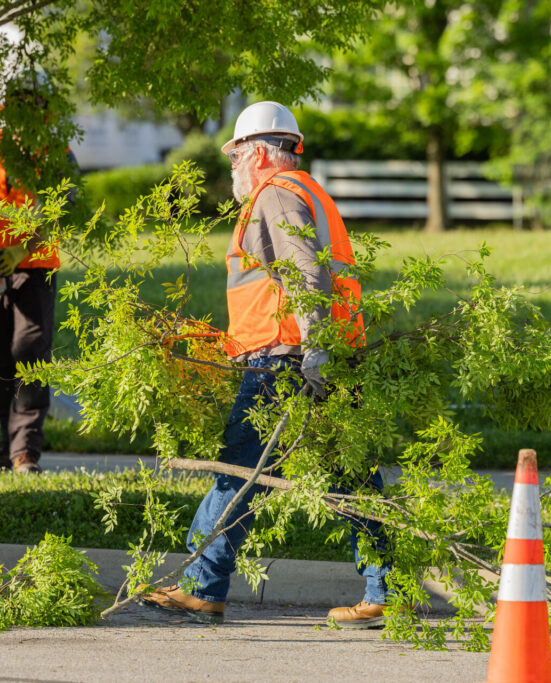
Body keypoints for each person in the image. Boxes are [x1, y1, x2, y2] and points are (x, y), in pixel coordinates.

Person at [139, 101, 391, 628]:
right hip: (329, 354)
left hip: (289, 357)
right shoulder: (308, 193)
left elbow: (304, 273)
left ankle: (202, 588)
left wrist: (313, 345)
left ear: (256, 153)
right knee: (353, 474)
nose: (231, 167)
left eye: (234, 157)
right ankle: (388, 589)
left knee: (241, 470)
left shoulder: (275, 194)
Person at [0, 71, 78, 475]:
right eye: (22, 102)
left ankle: (25, 453)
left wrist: (22, 248)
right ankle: (7, 445)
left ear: (45, 108)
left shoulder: (58, 152)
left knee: (29, 355)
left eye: (36, 104)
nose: (29, 110)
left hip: (33, 268)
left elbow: (65, 212)